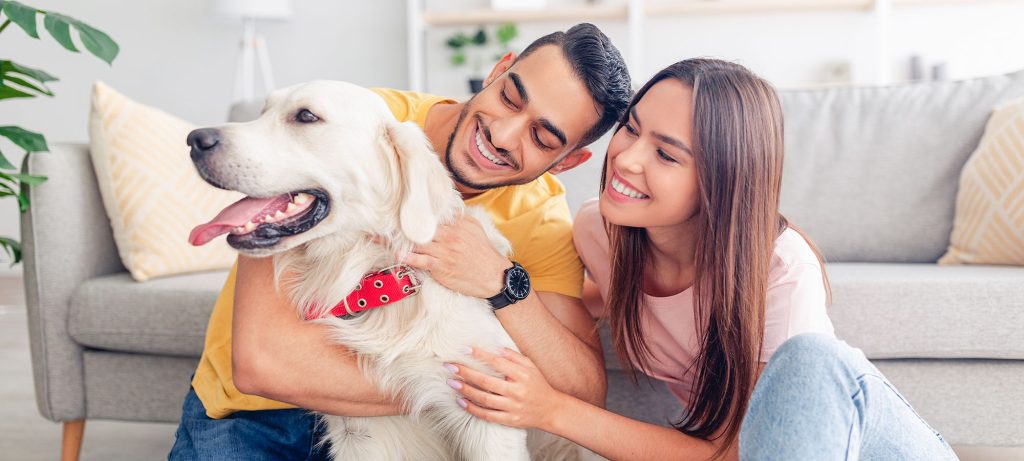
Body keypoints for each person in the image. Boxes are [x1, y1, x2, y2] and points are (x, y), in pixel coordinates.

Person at [446, 59, 959, 460]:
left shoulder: (780, 270)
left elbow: (741, 453)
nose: (625, 158)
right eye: (630, 127)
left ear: (720, 182)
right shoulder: (602, 233)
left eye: (666, 155)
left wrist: (553, 410)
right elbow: (565, 311)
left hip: (863, 446)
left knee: (809, 359)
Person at [169, 23, 632, 460]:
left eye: (542, 136)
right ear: (497, 70)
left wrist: (501, 281)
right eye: (510, 98)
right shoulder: (351, 122)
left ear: (567, 163)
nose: (503, 133)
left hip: (404, 423)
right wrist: (473, 388)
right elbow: (263, 365)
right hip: (256, 412)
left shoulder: (539, 212)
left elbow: (579, 394)